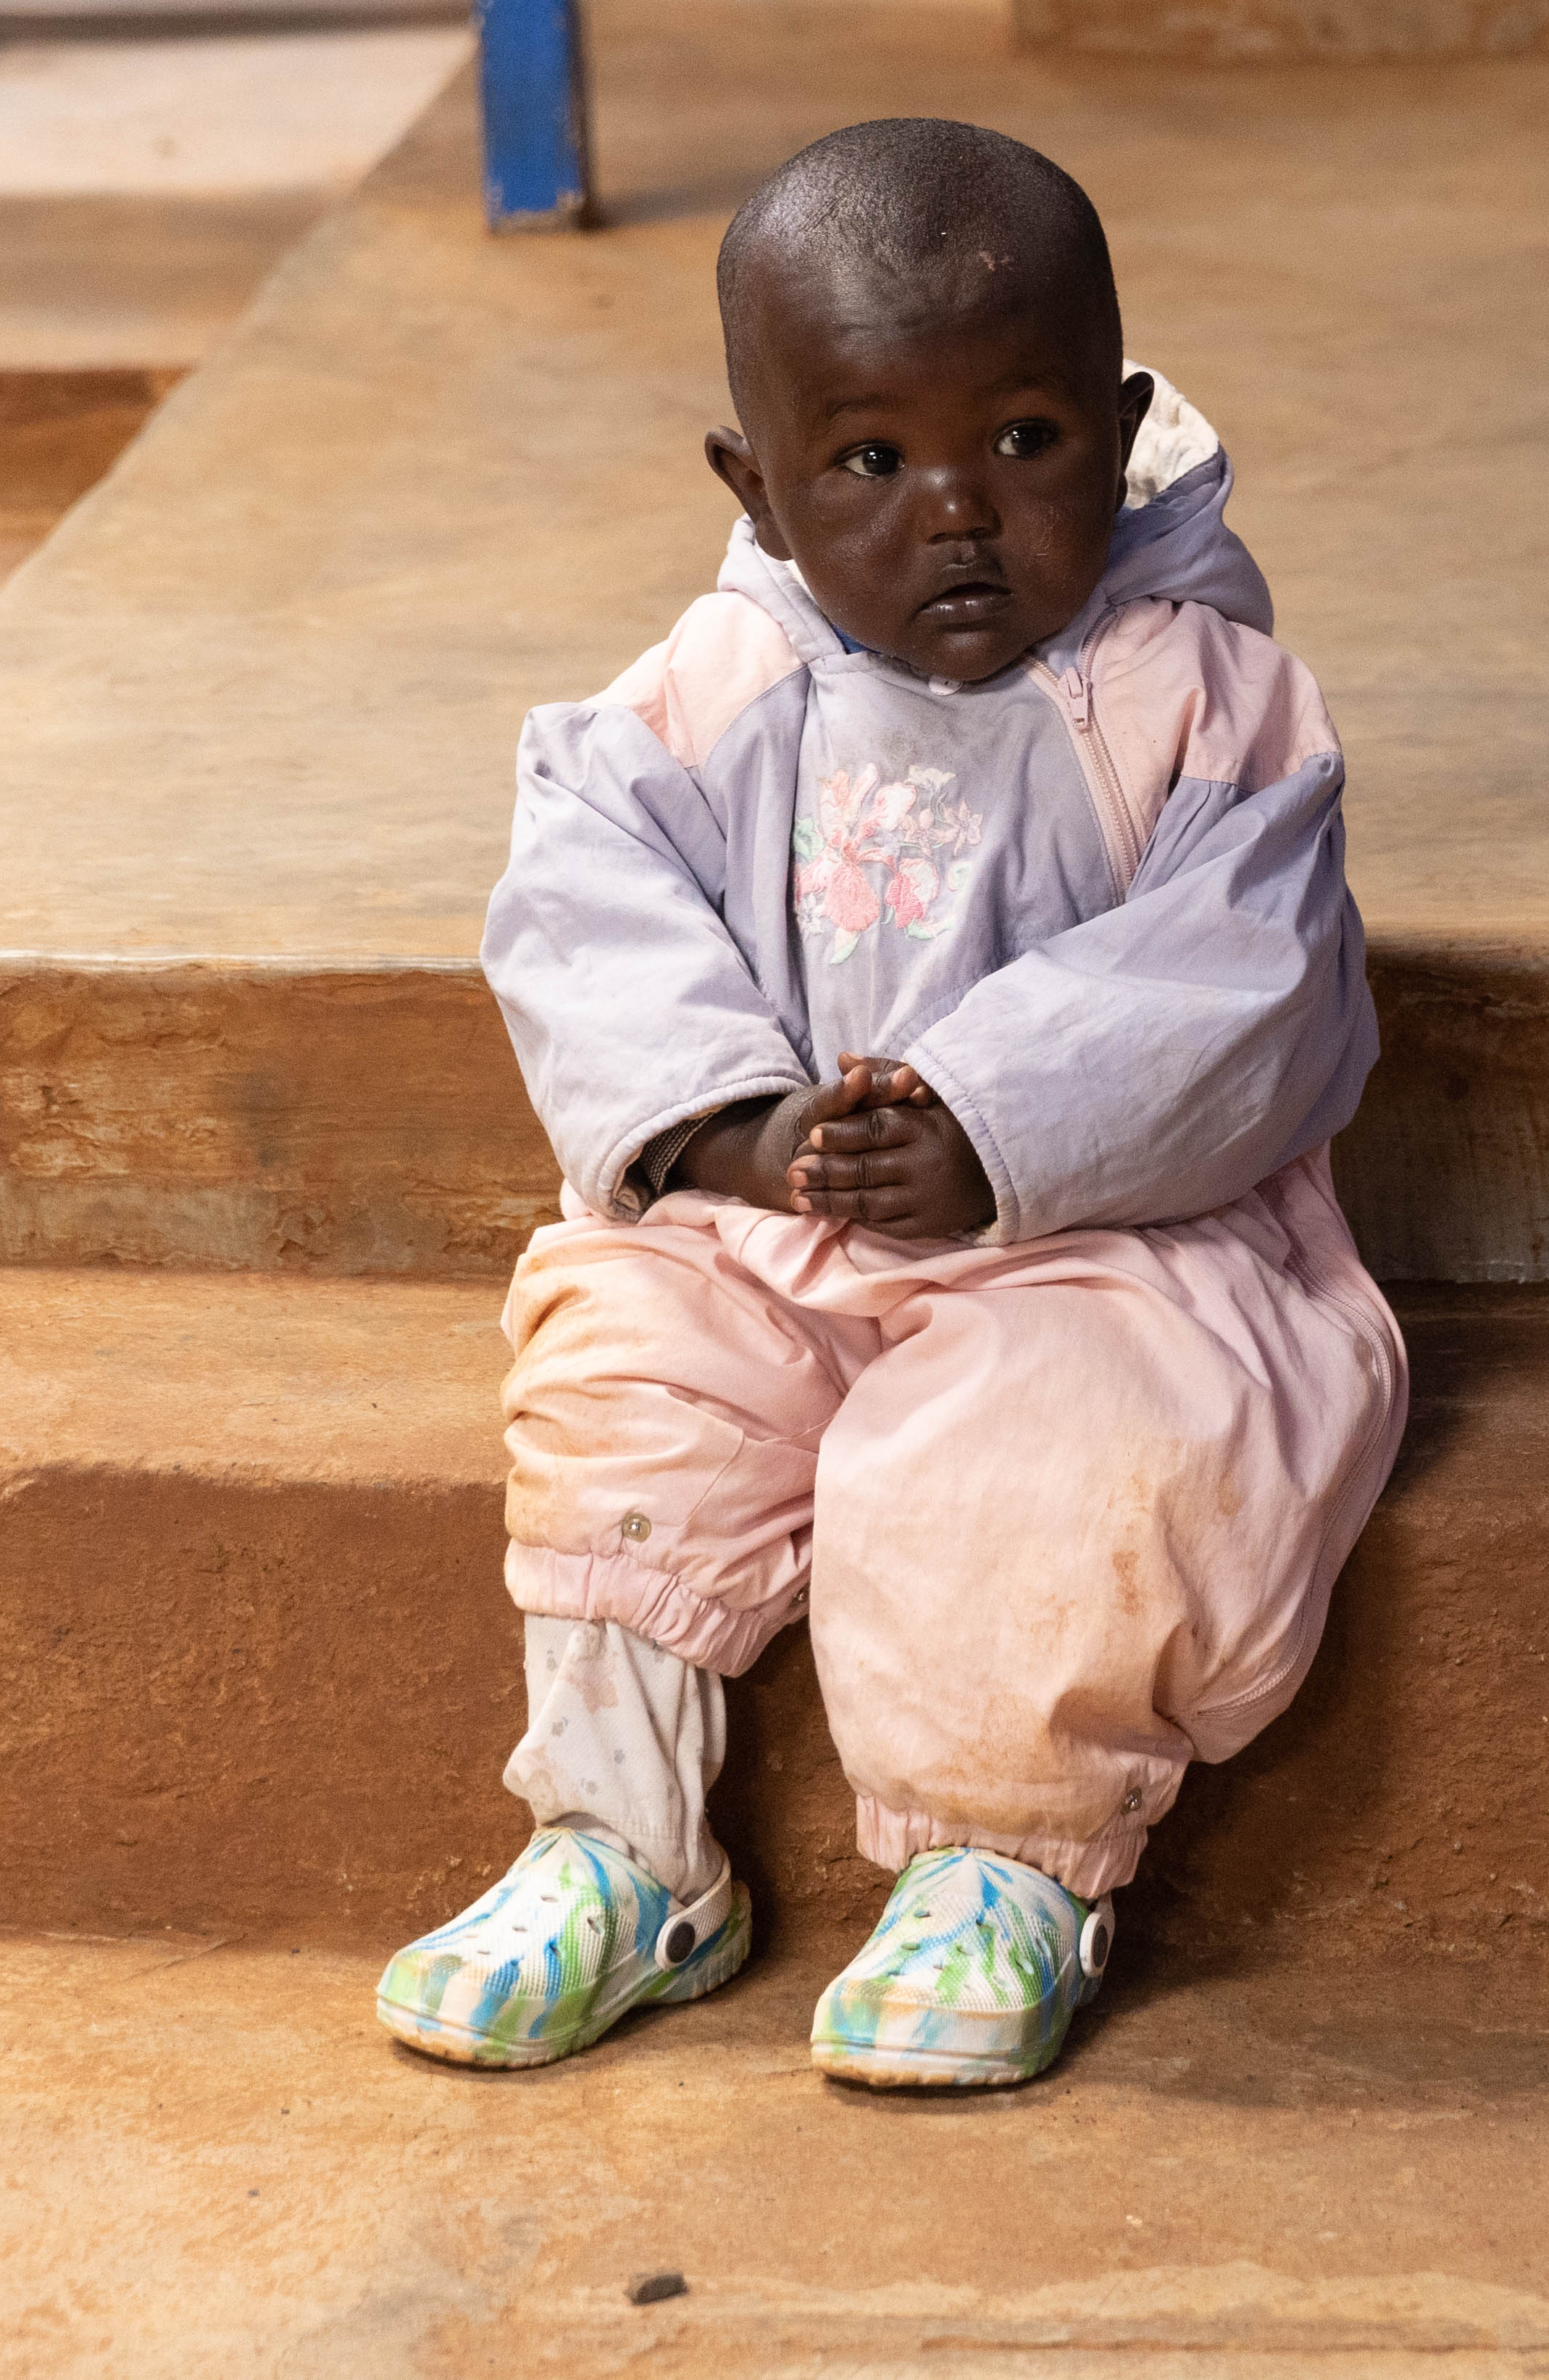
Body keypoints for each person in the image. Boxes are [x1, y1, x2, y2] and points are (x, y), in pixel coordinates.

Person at [370, 118, 1401, 2090]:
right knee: (627, 1356)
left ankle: (1005, 1863)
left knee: (1063, 1435)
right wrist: (738, 1133)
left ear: (1115, 428)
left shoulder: (1210, 699)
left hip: (1100, 1240)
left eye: (1021, 442)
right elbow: (583, 902)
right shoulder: (707, 691)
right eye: (866, 461)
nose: (953, 511)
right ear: (753, 483)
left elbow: (1249, 982)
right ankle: (620, 1844)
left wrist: (996, 1123)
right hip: (781, 1212)